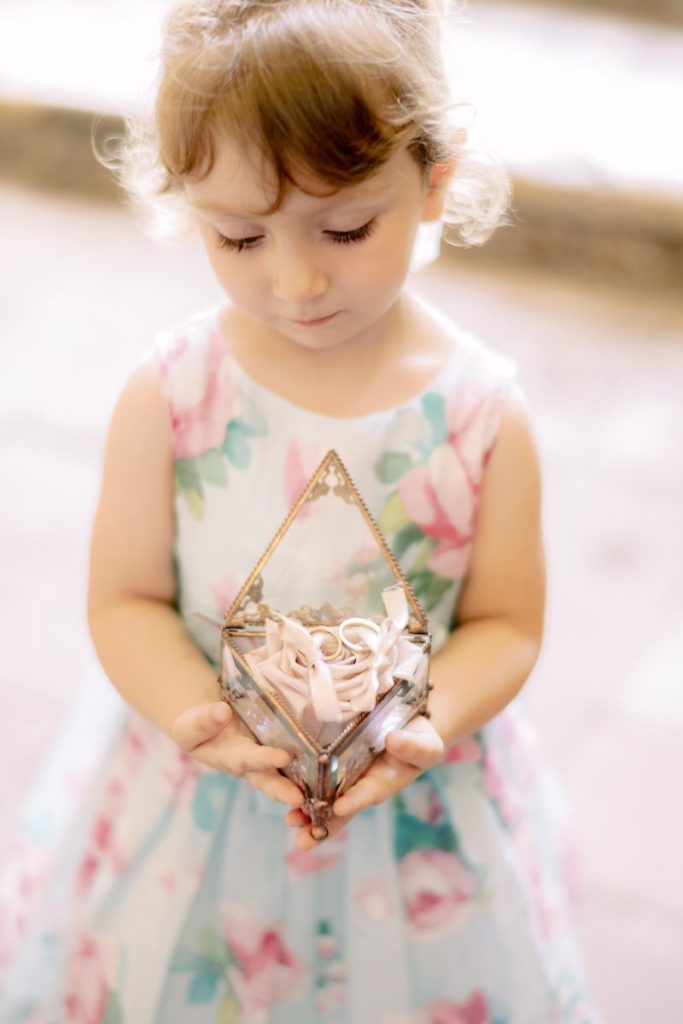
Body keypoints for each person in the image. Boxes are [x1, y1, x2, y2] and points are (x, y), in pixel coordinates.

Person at [0, 0, 600, 1020]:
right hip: (196, 799)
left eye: (345, 226)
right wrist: (195, 714)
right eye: (237, 237)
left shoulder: (482, 415)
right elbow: (126, 598)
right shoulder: (175, 393)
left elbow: (504, 623)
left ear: (433, 182)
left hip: (415, 817)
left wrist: (429, 717)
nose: (296, 278)